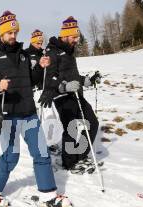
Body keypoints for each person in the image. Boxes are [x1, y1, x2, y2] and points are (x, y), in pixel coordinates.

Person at [0, 11, 73, 207]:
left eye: (15, 32)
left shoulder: (22, 54)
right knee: (11, 156)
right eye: (9, 32)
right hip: (7, 113)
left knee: (41, 153)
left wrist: (40, 67)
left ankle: (48, 195)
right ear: (1, 33)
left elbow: (33, 80)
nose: (13, 36)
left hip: (28, 112)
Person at [39, 17, 100, 173]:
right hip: (62, 96)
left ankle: (80, 155)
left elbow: (73, 75)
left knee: (92, 123)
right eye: (73, 37)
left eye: (77, 36)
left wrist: (86, 80)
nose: (76, 40)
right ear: (65, 35)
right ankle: (69, 162)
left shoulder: (69, 51)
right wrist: (64, 87)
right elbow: (49, 78)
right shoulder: (52, 51)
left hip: (76, 94)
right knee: (71, 127)